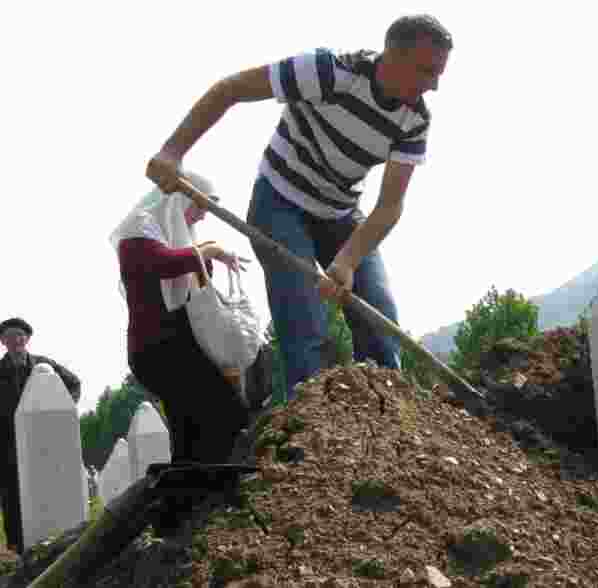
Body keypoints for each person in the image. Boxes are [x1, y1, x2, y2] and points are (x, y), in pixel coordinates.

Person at [146, 14, 452, 402]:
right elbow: (230, 90)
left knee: (380, 321)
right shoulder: (326, 71)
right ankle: (308, 434)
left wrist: (347, 260)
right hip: (280, 202)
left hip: (340, 214)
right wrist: (172, 153)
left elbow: (390, 207)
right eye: (426, 71)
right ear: (392, 56)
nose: (434, 85)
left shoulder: (415, 119)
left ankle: (391, 423)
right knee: (306, 322)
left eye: (439, 74)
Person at [110, 172, 250, 469]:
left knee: (191, 433)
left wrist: (206, 256)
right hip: (157, 349)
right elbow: (164, 264)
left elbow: (194, 279)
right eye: (200, 206)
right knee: (227, 411)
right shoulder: (138, 231)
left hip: (178, 346)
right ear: (180, 198)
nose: (201, 217)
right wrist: (209, 251)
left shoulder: (175, 236)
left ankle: (187, 505)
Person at [0, 317, 81, 554]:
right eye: (9, 336)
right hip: (8, 446)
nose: (15, 340)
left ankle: (52, 539)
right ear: (3, 341)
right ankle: (18, 549)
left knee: (47, 486)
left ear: (27, 339)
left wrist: (66, 410)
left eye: (19, 335)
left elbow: (74, 383)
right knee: (12, 496)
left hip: (42, 442)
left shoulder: (43, 365)